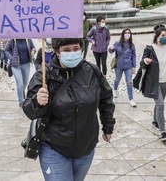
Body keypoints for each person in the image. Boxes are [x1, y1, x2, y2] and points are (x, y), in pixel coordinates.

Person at [23, 38, 115, 181]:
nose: (72, 53)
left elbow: (106, 98)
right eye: (66, 50)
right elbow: (29, 110)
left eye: (76, 48)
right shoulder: (44, 76)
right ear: (57, 52)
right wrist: (37, 102)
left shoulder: (91, 71)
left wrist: (108, 126)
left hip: (86, 147)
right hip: (54, 148)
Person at [134, 24, 166, 142]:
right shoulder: (150, 48)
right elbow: (142, 64)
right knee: (160, 105)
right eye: (163, 35)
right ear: (157, 36)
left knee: (160, 103)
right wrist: (145, 61)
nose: (165, 38)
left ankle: (155, 120)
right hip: (153, 82)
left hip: (165, 82)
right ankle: (163, 132)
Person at [109, 28, 137, 107]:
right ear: (123, 34)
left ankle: (131, 99)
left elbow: (134, 56)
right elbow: (112, 50)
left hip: (128, 66)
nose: (127, 34)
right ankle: (114, 89)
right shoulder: (118, 43)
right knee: (117, 78)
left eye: (129, 33)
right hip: (119, 66)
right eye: (126, 32)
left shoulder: (132, 45)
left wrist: (134, 67)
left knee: (129, 82)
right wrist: (110, 49)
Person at [4, 38, 36, 108]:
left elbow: (33, 47)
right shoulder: (12, 40)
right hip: (15, 65)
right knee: (20, 83)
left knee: (25, 82)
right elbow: (6, 50)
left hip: (26, 64)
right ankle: (21, 101)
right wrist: (11, 58)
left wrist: (33, 51)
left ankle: (21, 92)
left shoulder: (28, 39)